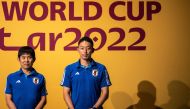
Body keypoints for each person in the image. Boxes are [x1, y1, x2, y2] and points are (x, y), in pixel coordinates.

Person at [60, 36, 112, 109]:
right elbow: (66, 93)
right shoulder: (69, 69)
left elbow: (105, 93)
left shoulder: (101, 68)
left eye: (88, 48)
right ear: (78, 50)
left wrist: (95, 108)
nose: (85, 51)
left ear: (93, 50)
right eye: (82, 48)